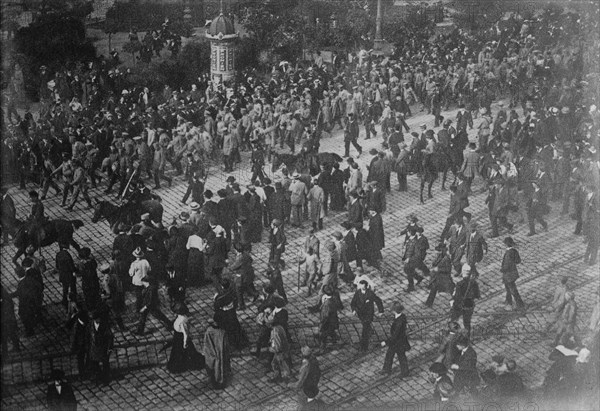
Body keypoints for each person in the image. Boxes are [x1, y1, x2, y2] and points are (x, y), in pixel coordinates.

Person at [167, 302, 205, 373]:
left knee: (185, 352)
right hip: (177, 337)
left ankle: (185, 365)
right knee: (178, 352)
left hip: (181, 338)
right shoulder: (179, 317)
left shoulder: (183, 320)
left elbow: (186, 333)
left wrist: (185, 342)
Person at [350, 279, 384, 352]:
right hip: (361, 313)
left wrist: (381, 311)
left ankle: (364, 346)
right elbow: (353, 303)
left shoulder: (370, 293)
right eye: (361, 286)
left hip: (368, 314)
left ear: (366, 286)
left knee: (365, 329)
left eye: (364, 287)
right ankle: (369, 331)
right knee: (366, 326)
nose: (363, 288)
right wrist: (354, 310)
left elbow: (378, 300)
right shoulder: (357, 293)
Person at [380, 302, 410, 377]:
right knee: (390, 354)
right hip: (398, 341)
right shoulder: (401, 316)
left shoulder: (399, 322)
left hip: (398, 342)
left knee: (401, 357)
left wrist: (386, 342)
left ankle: (404, 372)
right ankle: (387, 369)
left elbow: (394, 335)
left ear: (394, 311)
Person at [450, 264, 480, 338]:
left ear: (462, 272)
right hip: (469, 305)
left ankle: (453, 335)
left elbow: (457, 297)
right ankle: (467, 338)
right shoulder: (474, 283)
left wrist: (452, 302)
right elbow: (477, 295)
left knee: (453, 320)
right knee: (467, 323)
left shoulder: (460, 284)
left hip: (459, 306)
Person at [203, 318, 231, 390]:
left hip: (212, 353)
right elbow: (226, 345)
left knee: (213, 367)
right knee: (221, 367)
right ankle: (221, 381)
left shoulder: (209, 331)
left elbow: (207, 344)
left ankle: (215, 381)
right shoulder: (222, 332)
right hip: (221, 352)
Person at [88, 310, 114, 386]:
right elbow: (88, 336)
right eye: (97, 319)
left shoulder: (105, 325)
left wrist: (110, 348)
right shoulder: (90, 325)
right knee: (94, 364)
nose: (98, 320)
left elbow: (110, 337)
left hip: (103, 348)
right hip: (94, 348)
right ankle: (98, 378)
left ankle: (106, 379)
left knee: (105, 364)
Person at [425, 242, 454, 307]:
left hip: (445, 278)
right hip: (438, 277)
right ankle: (428, 303)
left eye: (439, 251)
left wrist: (438, 269)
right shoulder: (440, 256)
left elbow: (448, 270)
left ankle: (458, 299)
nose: (437, 252)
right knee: (433, 288)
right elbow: (435, 262)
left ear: (443, 250)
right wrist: (432, 265)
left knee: (451, 289)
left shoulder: (447, 259)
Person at [501, 237, 525, 311]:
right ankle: (509, 302)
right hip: (510, 273)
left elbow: (508, 263)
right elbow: (518, 261)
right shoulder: (514, 251)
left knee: (512, 290)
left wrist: (504, 268)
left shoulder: (509, 252)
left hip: (509, 274)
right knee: (508, 288)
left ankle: (520, 304)